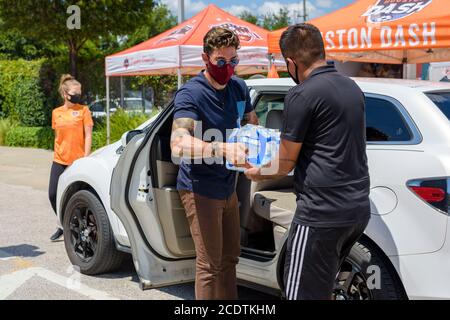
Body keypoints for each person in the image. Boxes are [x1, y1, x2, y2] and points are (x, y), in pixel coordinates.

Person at [245, 23, 371, 300]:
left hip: (320, 214)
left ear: (291, 62)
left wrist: (256, 173)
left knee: (299, 293)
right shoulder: (351, 87)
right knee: (322, 288)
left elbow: (285, 162)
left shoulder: (302, 94)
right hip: (357, 209)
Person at [170, 27, 258, 300]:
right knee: (209, 264)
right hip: (199, 188)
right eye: (221, 61)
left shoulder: (239, 87)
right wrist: (221, 148)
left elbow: (251, 122)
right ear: (205, 58)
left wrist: (255, 149)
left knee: (230, 258)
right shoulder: (191, 94)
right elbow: (178, 143)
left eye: (233, 62)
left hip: (227, 186)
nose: (228, 68)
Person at [49, 74, 93, 241]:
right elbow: (58, 137)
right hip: (59, 160)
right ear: (65, 94)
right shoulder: (56, 113)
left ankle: (76, 226)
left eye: (80, 91)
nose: (78, 94)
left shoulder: (84, 111)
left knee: (76, 195)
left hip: (77, 161)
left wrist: (85, 158)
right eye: (76, 91)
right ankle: (62, 223)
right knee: (53, 194)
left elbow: (88, 135)